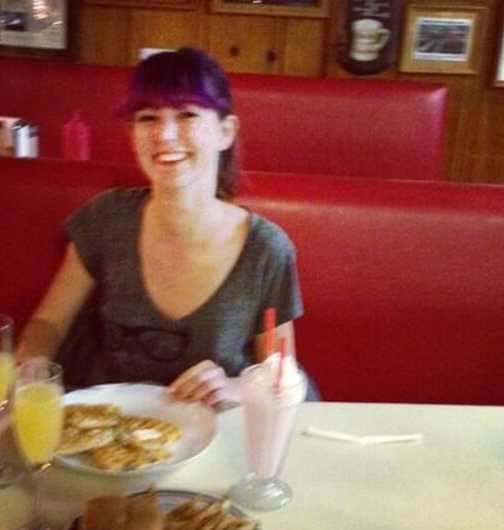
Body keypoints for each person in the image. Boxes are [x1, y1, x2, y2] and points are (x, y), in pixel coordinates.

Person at [15, 46, 303, 407]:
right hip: (109, 428)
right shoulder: (106, 219)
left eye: (187, 114)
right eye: (148, 117)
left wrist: (236, 388)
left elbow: (282, 375)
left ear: (225, 131)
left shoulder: (265, 250)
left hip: (217, 434)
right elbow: (49, 323)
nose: (165, 135)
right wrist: (33, 363)